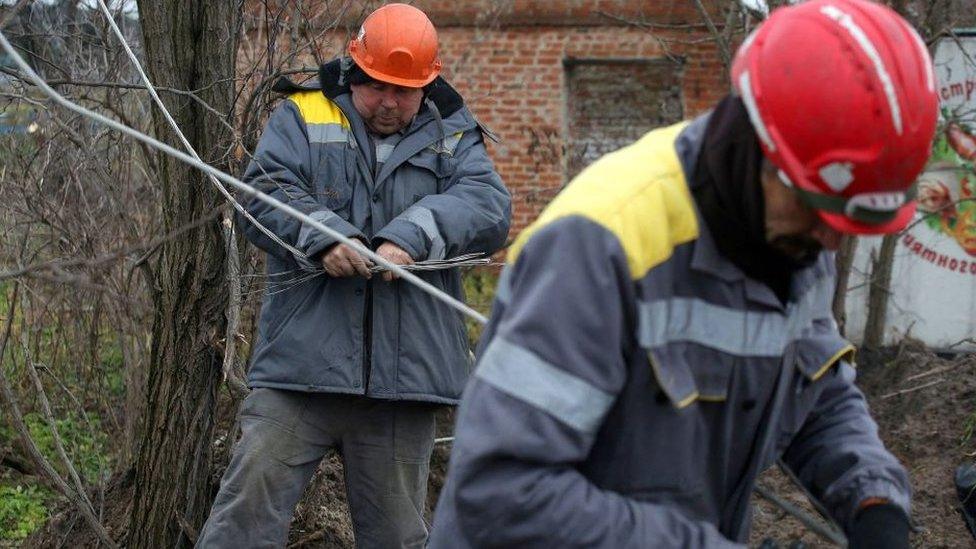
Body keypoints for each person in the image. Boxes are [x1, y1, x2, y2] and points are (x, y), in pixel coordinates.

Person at [429, 0, 936, 547]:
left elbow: (816, 393)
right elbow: (503, 493)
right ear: (760, 147)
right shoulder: (602, 248)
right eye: (819, 208)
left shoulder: (796, 234)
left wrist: (873, 501)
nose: (831, 241)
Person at [197, 4, 510, 547]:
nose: (389, 102)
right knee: (243, 520)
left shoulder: (456, 133)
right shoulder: (303, 114)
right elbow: (264, 190)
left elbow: (487, 207)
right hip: (299, 370)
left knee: (396, 537)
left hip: (403, 384)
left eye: (404, 91)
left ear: (428, 85)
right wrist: (322, 237)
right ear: (355, 69)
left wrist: (412, 236)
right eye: (376, 86)